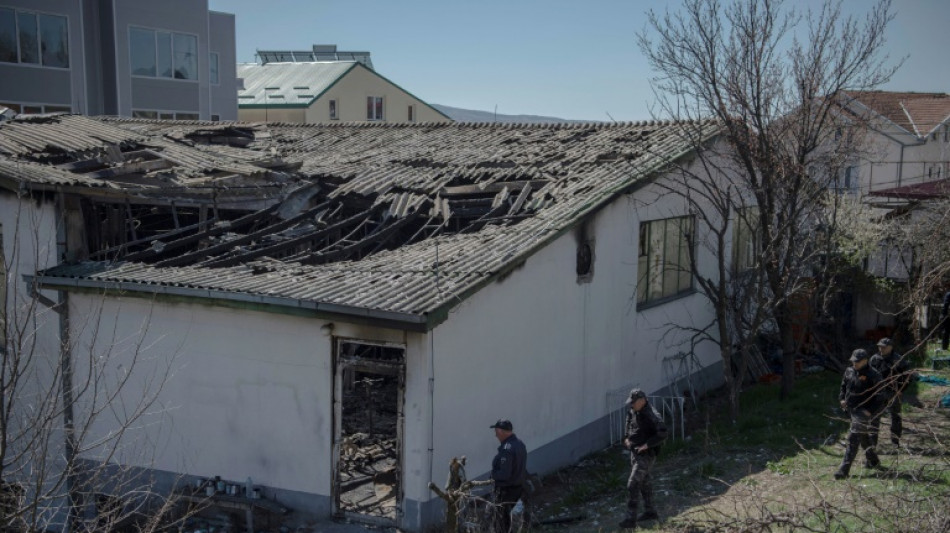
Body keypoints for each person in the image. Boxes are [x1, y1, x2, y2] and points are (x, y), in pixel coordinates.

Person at [619, 388, 668, 529]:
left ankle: (630, 520)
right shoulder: (633, 410)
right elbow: (628, 426)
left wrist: (647, 445)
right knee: (645, 482)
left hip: (646, 454)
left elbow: (663, 432)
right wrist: (626, 439)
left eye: (634, 402)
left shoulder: (652, 414)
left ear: (642, 400)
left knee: (633, 484)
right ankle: (650, 511)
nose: (631, 405)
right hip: (634, 452)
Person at [835, 349, 885, 479]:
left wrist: (869, 411)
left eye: (857, 362)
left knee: (853, 437)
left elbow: (880, 396)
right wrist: (842, 399)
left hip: (863, 411)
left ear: (865, 361)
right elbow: (843, 386)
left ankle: (843, 470)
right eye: (853, 361)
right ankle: (873, 460)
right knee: (862, 435)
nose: (854, 364)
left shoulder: (874, 375)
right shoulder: (849, 371)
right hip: (850, 409)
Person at [869, 337, 911, 445]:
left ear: (891, 347)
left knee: (895, 416)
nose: (881, 349)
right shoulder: (874, 359)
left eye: (884, 347)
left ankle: (895, 441)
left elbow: (907, 376)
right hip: (878, 393)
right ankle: (872, 444)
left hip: (893, 392)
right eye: (880, 346)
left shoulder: (898, 359)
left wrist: (901, 389)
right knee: (874, 417)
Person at [489, 419, 527, 533]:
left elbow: (504, 474)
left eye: (496, 431)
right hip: (517, 488)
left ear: (501, 431)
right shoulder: (520, 444)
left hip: (505, 491)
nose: (495, 435)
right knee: (510, 521)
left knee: (501, 522)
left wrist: (492, 475)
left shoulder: (507, 449)